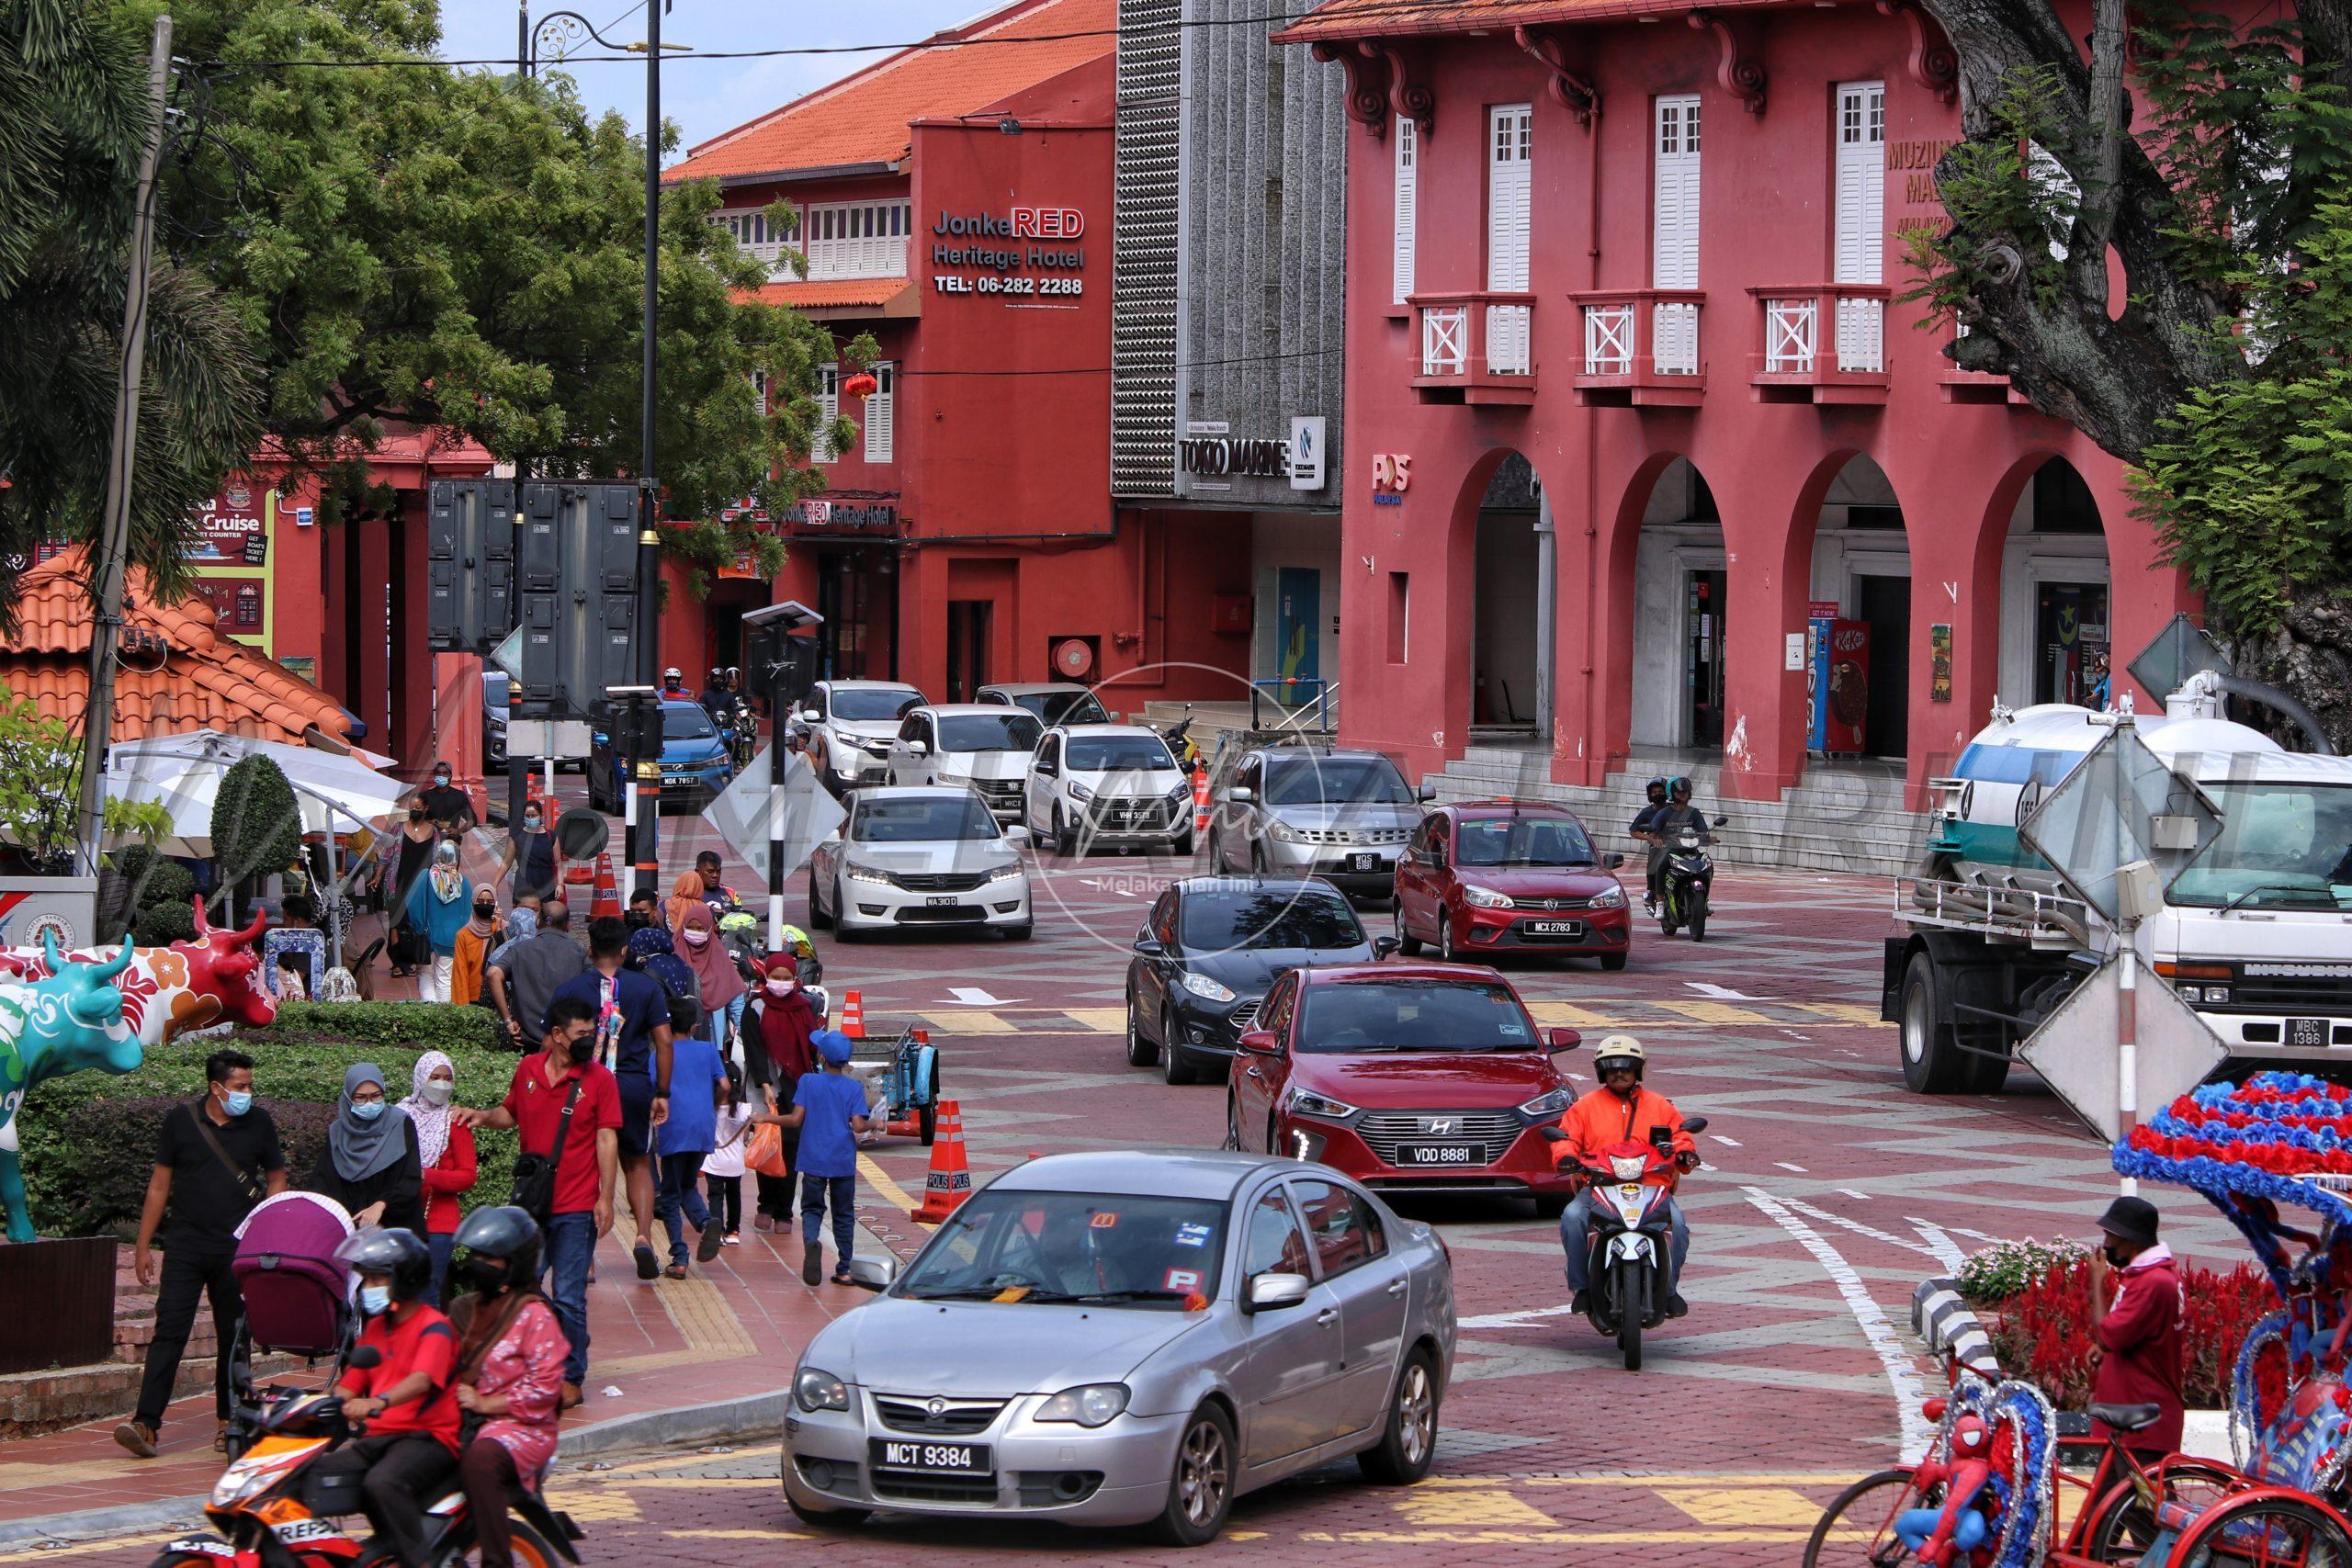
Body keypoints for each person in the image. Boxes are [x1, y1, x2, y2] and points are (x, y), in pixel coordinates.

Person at [120, 1049, 288, 1459]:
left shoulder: (260, 1121)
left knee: (234, 1335)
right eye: (240, 1086)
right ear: (216, 1087)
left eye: (250, 1085)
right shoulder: (180, 1121)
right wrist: (144, 1245)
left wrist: (263, 1229)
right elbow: (159, 1186)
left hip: (238, 1247)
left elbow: (277, 1178)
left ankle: (230, 1420)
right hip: (185, 1244)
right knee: (169, 1330)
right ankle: (147, 1423)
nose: (248, 1092)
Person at [456, 998, 619, 1407]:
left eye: (592, 1032)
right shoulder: (528, 1069)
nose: (590, 1040)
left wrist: (606, 1198)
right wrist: (479, 1116)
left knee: (568, 1294)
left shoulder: (600, 1079)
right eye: (582, 1034)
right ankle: (553, 1347)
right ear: (558, 1035)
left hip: (577, 1205)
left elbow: (606, 1138)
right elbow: (510, 1114)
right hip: (532, 1205)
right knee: (524, 1285)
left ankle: (571, 1377)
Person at [313, 1228, 461, 1568]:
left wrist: (377, 1402)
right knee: (311, 1473)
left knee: (383, 1482)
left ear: (405, 1279)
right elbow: (349, 1384)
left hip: (428, 1438)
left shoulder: (435, 1327)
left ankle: (421, 1561)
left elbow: (422, 1379)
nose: (369, 1288)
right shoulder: (377, 1330)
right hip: (381, 1437)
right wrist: (328, 1405)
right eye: (367, 1280)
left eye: (378, 1279)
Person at [548, 917, 673, 1283]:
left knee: (585, 1167)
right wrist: (662, 1092)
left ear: (589, 950)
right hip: (632, 1085)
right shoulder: (645, 988)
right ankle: (643, 1237)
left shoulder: (570, 990)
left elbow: (551, 1043)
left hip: (584, 1086)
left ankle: (584, 1259)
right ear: (624, 951)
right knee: (638, 1162)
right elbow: (664, 1042)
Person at [447, 1208, 567, 1568]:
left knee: (481, 1462)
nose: (480, 1263)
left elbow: (545, 1389)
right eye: (477, 1256)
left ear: (513, 1263)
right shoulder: (463, 1309)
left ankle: (497, 1561)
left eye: (490, 1257)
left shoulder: (535, 1315)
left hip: (522, 1427)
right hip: (464, 1419)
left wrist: (485, 1403)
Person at [1552, 1036, 1696, 1317]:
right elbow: (1565, 1139)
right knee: (1572, 1217)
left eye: (1626, 1067)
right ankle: (1582, 1287)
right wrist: (1566, 1157)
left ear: (1637, 1070)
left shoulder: (1660, 1105)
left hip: (1651, 1187)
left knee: (1678, 1224)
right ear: (1601, 1072)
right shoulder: (1585, 1107)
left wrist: (1684, 1153)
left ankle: (1669, 1291)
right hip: (1597, 1187)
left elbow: (1681, 1136)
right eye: (1612, 1067)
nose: (1619, 1072)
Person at [764, 1028, 870, 1286]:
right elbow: (858, 1125)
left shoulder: (808, 1082)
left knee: (812, 1209)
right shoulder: (853, 1087)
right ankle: (844, 1269)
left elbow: (794, 1119)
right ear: (846, 1062)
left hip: (813, 1157)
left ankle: (812, 1243)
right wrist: (875, 1123)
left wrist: (765, 1117)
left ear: (821, 1056)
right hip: (842, 1160)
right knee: (843, 1213)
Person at [2089, 1194, 2185, 1457]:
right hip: (2133, 1422)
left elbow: (2105, 1335)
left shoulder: (2152, 1282)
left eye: (2110, 1237)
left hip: (2143, 1430)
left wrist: (2097, 1281)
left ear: (2129, 1239)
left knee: (2141, 1498)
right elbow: (2131, 1332)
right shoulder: (2151, 1276)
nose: (2106, 1245)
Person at [305, 1064, 424, 1234]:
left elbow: (410, 1178)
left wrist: (382, 1204)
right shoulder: (337, 1132)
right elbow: (321, 1182)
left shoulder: (401, 1124)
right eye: (360, 1098)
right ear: (348, 1098)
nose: (369, 1103)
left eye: (376, 1096)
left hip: (394, 1232)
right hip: (347, 1232)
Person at [746, 955, 820, 1231]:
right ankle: (765, 1205)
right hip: (764, 1086)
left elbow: (812, 1046)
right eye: (775, 977)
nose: (781, 983)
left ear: (795, 979)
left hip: (797, 1085)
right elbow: (753, 1049)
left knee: (791, 1146)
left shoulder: (804, 1007)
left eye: (786, 978)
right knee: (767, 1143)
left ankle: (785, 1211)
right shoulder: (755, 1007)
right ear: (766, 977)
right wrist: (765, 1085)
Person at [653, 1019, 732, 1276]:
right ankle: (706, 1222)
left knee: (670, 1195)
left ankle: (679, 1257)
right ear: (693, 1025)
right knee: (687, 1185)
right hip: (702, 1126)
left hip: (674, 1126)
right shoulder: (708, 1050)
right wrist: (713, 1106)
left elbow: (652, 1088)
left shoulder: (660, 1052)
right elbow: (725, 1086)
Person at [402, 1052, 478, 1307]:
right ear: (421, 1078)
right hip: (400, 1216)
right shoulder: (400, 1116)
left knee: (428, 1291)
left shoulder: (455, 1121)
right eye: (435, 1077)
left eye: (448, 1078)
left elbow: (467, 1176)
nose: (441, 1084)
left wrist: (427, 1175)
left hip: (438, 1223)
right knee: (398, 1289)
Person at [487, 898, 586, 1052]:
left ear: (538, 922)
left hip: (526, 1041)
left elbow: (493, 974)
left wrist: (508, 1020)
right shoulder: (579, 952)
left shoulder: (519, 949)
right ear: (568, 925)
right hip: (565, 1043)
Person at [675, 903, 746, 1058]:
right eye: (691, 928)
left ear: (709, 929)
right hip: (678, 1045)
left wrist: (749, 1037)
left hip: (712, 1044)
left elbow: (737, 1007)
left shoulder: (719, 958)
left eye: (700, 929)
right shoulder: (674, 954)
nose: (695, 933)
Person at [404, 842, 471, 1004]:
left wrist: (418, 927)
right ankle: (442, 1016)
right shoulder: (462, 881)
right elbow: (468, 912)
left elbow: (412, 905)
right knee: (445, 977)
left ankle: (429, 1013)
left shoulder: (426, 877)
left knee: (425, 974)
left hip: (427, 935)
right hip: (452, 938)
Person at [702, 1062, 753, 1248]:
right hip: (734, 1162)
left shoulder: (710, 1108)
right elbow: (745, 1136)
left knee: (715, 1196)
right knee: (734, 1196)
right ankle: (733, 1230)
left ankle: (716, 1230)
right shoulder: (743, 1110)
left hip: (713, 1161)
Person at [383, 808, 439, 977]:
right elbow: (387, 853)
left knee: (414, 922)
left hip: (421, 885)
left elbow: (436, 857)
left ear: (426, 809)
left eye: (418, 806)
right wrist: (378, 874)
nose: (414, 809)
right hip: (397, 883)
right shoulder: (398, 829)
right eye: (412, 806)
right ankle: (397, 962)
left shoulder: (433, 832)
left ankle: (410, 959)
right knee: (396, 923)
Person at [1645, 776, 1714, 912]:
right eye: (1679, 792)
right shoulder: (1664, 813)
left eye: (1685, 792)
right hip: (1670, 851)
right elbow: (1651, 835)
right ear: (1672, 794)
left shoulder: (1694, 813)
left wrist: (1707, 838)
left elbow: (1703, 832)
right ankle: (1659, 903)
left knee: (1708, 865)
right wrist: (1656, 840)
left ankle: (1704, 900)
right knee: (1661, 867)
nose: (1683, 795)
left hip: (1691, 851)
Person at [498, 800, 563, 906]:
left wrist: (560, 884)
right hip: (524, 885)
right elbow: (506, 863)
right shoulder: (516, 837)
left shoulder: (551, 836)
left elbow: (558, 862)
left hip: (546, 884)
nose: (530, 818)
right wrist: (494, 884)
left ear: (540, 815)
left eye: (534, 815)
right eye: (527, 816)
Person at [450, 889, 503, 1009]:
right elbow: (460, 972)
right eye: (480, 901)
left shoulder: (503, 929)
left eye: (490, 902)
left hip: (500, 998)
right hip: (473, 999)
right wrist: (462, 1008)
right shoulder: (463, 935)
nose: (485, 904)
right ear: (473, 903)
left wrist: (499, 927)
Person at [1628, 776, 1668, 910]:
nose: (1658, 794)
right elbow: (1633, 831)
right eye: (1655, 792)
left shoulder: (1674, 809)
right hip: (1659, 847)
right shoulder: (1647, 812)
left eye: (1661, 792)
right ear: (1650, 795)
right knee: (1654, 858)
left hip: (1678, 846)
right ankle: (1652, 892)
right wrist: (1649, 839)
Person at [414, 761, 478, 833]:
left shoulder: (459, 795)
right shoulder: (424, 796)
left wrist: (458, 831)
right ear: (434, 776)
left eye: (445, 773)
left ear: (450, 776)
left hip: (450, 838)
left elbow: (472, 820)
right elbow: (414, 819)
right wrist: (429, 822)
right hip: (428, 836)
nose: (441, 776)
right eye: (438, 773)